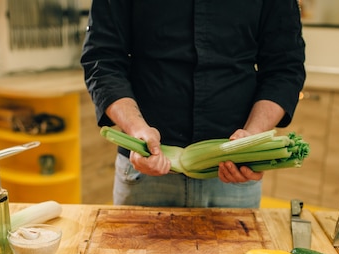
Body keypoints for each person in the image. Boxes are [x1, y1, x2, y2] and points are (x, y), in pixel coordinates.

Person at [81, 0, 306, 208]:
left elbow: (284, 68)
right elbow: (103, 62)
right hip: (145, 172)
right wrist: (136, 129)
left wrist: (251, 138)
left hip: (233, 175)